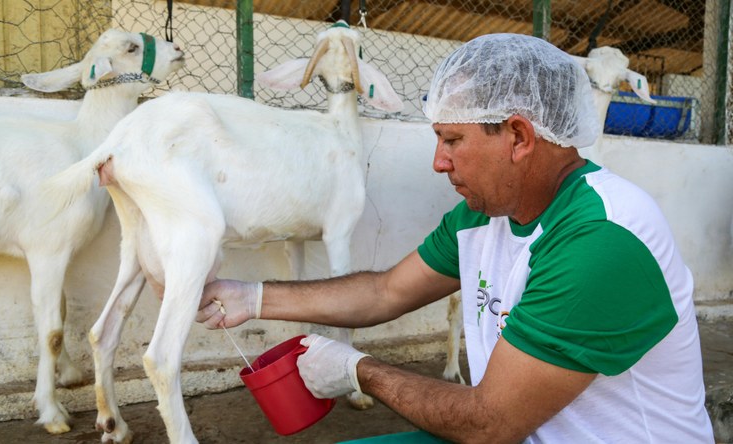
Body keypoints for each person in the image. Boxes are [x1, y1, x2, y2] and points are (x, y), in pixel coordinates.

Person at [196, 33, 715, 443]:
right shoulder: (485, 214)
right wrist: (252, 297)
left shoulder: (599, 239)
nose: (438, 161)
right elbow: (385, 292)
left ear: (518, 136)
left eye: (452, 140)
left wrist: (359, 370)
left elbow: (487, 424)